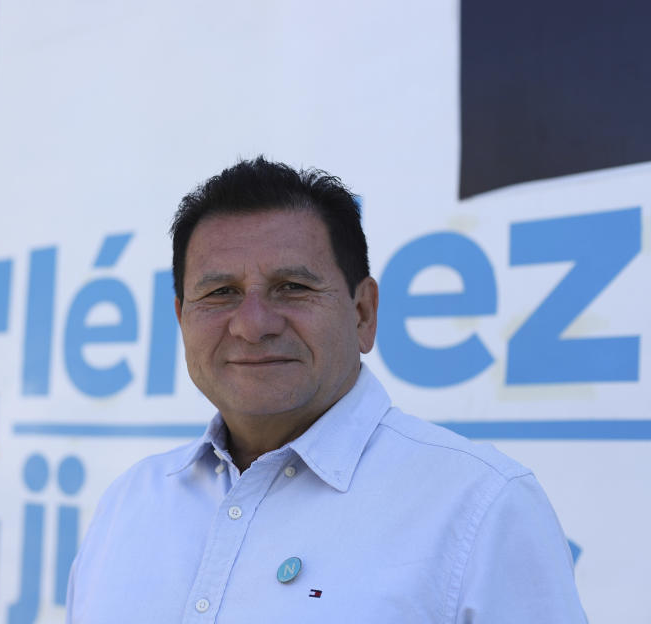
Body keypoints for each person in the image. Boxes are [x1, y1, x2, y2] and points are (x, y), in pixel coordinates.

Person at [65, 158, 587, 622]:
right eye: (220, 293)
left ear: (363, 313)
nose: (253, 324)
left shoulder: (482, 506)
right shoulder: (129, 503)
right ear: (182, 318)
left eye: (293, 287)